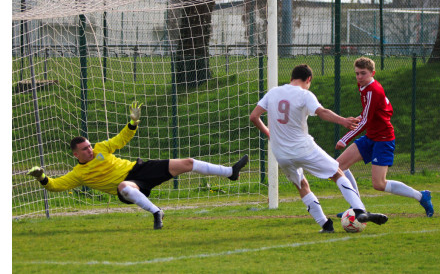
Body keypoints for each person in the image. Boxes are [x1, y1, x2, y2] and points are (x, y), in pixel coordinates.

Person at [27, 101, 249, 230]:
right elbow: (55, 185)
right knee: (124, 186)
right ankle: (157, 213)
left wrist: (132, 123)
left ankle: (230, 172)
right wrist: (41, 177)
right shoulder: (78, 173)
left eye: (89, 146)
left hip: (140, 169)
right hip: (128, 186)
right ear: (76, 154)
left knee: (188, 163)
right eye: (85, 149)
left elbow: (121, 139)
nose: (90, 150)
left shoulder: (102, 148)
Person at [250, 64, 388, 233]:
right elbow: (322, 112)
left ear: (292, 77)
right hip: (303, 148)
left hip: (281, 153)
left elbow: (254, 116)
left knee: (302, 185)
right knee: (337, 172)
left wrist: (269, 133)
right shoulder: (304, 94)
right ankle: (359, 210)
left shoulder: (273, 92)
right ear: (308, 79)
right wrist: (343, 121)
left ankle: (325, 225)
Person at [335, 57, 433, 218]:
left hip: (383, 139)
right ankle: (358, 208)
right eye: (357, 73)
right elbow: (369, 114)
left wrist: (344, 139)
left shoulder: (373, 89)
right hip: (371, 136)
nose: (359, 77)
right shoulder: (364, 87)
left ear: (372, 73)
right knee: (338, 166)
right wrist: (359, 118)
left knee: (379, 184)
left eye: (363, 73)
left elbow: (367, 119)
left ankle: (422, 196)